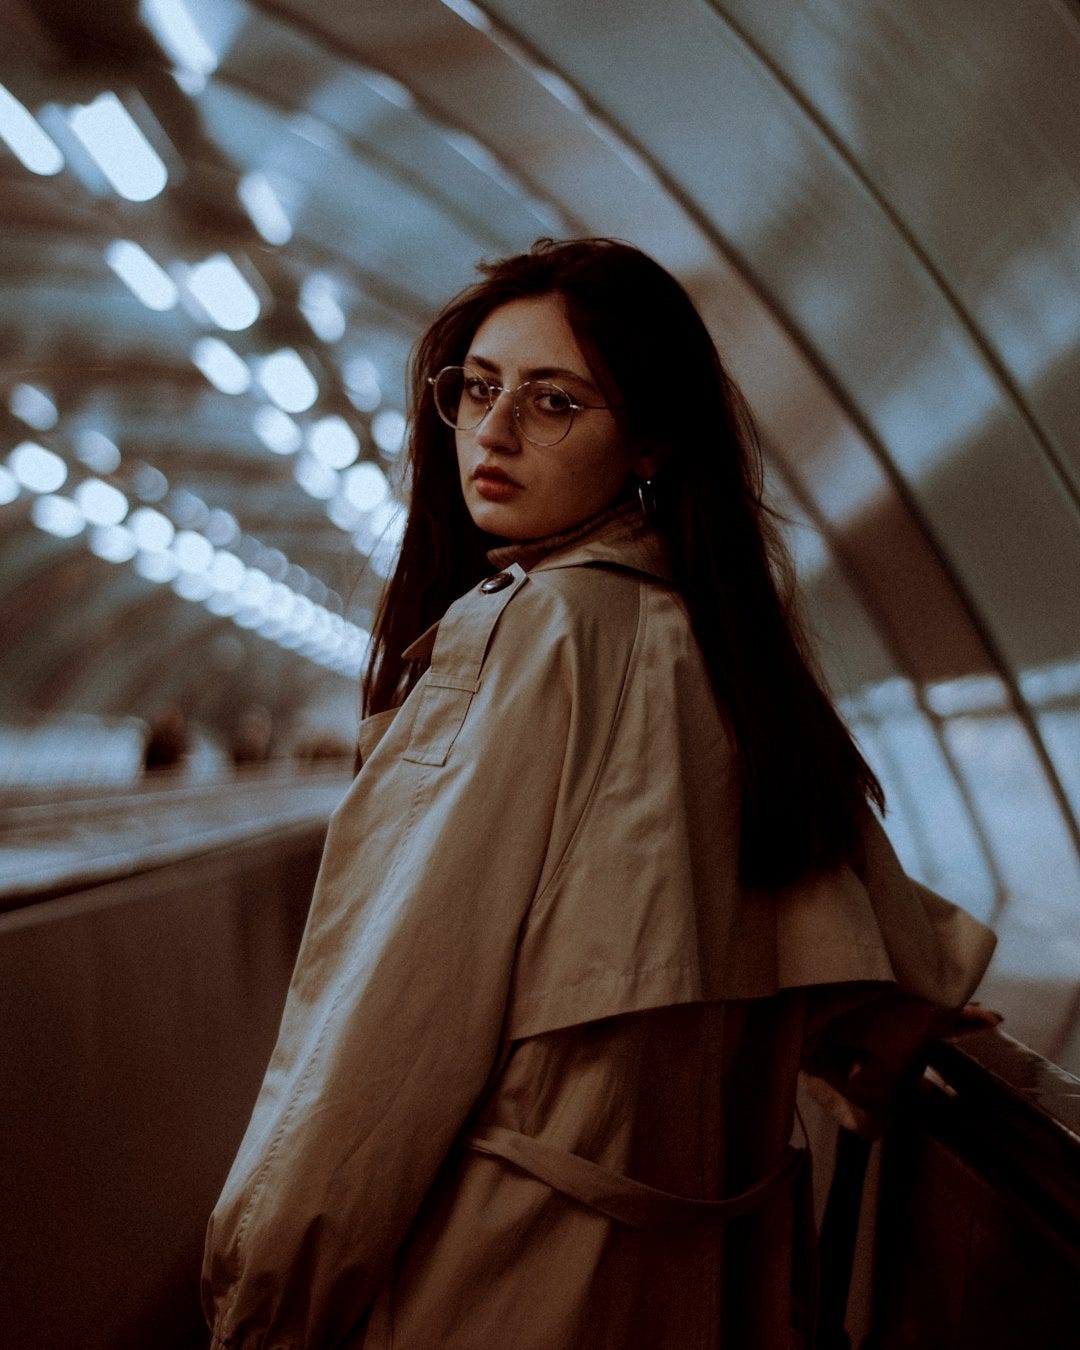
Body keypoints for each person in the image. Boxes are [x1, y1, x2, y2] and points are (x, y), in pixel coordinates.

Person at [202, 239, 996, 1348]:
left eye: (554, 402)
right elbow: (895, 955)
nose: (494, 432)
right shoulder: (730, 651)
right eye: (477, 390)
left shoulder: (533, 630)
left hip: (509, 1274)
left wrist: (265, 1297)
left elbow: (396, 1016)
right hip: (719, 1279)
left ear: (651, 445)